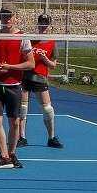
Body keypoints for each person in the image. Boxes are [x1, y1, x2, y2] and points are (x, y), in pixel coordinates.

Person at [0, 7, 32, 169]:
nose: (7, 19)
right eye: (4, 16)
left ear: (15, 17)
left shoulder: (23, 38)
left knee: (15, 122)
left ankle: (12, 154)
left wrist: (9, 67)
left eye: (9, 16)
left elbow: (30, 63)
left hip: (14, 85)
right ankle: (4, 156)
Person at [17, 14, 64, 149]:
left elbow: (53, 65)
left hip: (40, 78)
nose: (43, 26)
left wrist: (45, 59)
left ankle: (51, 137)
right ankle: (22, 137)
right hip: (25, 76)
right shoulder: (30, 40)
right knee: (23, 108)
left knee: (48, 109)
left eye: (46, 24)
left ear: (49, 26)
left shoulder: (52, 43)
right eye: (41, 23)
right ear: (37, 24)